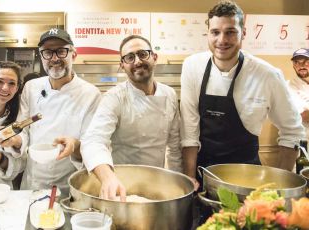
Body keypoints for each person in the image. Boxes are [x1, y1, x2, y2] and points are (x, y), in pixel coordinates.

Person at [180, 0, 305, 188]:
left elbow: (292, 131)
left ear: (243, 33)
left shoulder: (267, 75)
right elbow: (189, 131)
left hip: (249, 180)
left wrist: (280, 186)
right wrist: (189, 180)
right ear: (208, 33)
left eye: (230, 32)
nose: (222, 40)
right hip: (203, 176)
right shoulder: (192, 66)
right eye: (215, 32)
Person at [0, 28, 101, 196]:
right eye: (47, 52)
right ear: (41, 55)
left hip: (69, 186)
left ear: (73, 54)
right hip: (32, 182)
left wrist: (74, 144)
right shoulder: (31, 88)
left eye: (61, 51)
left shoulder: (90, 94)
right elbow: (23, 129)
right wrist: (15, 139)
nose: (54, 58)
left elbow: (92, 144)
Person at [81, 35, 182, 201]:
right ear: (122, 65)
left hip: (157, 185)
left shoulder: (169, 94)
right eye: (129, 57)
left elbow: (174, 146)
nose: (137, 61)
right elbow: (93, 141)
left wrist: (177, 184)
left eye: (143, 54)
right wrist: (108, 178)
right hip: (121, 186)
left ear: (154, 57)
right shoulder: (115, 97)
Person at [288, 48, 309, 140]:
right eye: (297, 62)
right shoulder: (288, 87)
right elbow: (304, 116)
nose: (301, 66)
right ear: (293, 66)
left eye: (306, 62)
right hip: (301, 141)